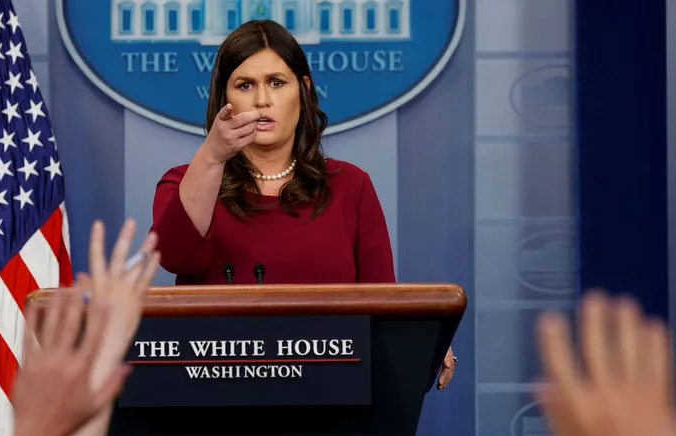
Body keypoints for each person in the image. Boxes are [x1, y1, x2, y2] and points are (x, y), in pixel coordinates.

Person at [153, 19, 456, 386]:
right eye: (245, 85)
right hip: (215, 398)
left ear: (304, 89)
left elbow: (384, 305)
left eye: (276, 83)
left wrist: (419, 343)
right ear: (224, 99)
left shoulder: (350, 186)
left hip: (333, 401)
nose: (262, 99)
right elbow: (175, 257)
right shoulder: (185, 182)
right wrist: (213, 158)